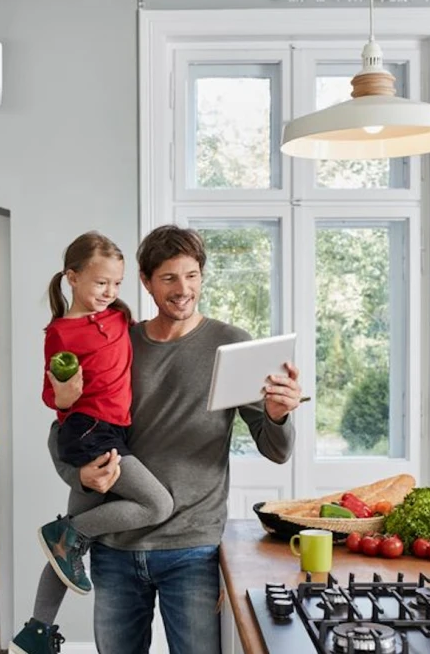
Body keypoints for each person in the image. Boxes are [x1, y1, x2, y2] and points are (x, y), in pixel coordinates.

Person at [48, 225, 302, 653]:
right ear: (146, 282)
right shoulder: (118, 340)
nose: (183, 289)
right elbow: (66, 428)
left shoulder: (232, 345)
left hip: (192, 548)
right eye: (168, 278)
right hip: (116, 548)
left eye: (192, 275)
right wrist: (80, 477)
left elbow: (276, 451)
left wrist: (278, 414)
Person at [10, 231, 175, 654]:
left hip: (113, 431)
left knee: (66, 551)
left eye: (116, 284)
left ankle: (37, 630)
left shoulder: (119, 317)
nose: (109, 291)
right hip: (88, 430)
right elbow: (53, 397)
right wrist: (64, 392)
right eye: (101, 282)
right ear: (72, 277)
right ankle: (68, 533)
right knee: (157, 504)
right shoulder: (62, 333)